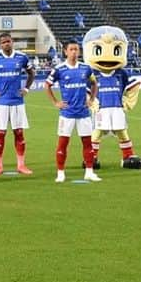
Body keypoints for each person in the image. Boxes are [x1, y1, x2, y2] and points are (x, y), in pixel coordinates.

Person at [0, 32, 35, 175]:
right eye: (3, 42)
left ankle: (21, 165)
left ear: (12, 42)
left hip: (17, 101)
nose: (6, 44)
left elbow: (31, 73)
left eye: (8, 41)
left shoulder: (21, 57)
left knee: (19, 133)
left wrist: (26, 88)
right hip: (0, 102)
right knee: (0, 133)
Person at [45, 40, 101, 182]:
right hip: (67, 113)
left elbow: (94, 83)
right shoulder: (59, 69)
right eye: (71, 49)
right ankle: (61, 173)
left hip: (83, 113)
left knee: (87, 143)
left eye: (76, 49)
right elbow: (47, 85)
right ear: (65, 51)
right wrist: (55, 102)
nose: (74, 52)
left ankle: (89, 171)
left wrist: (92, 99)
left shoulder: (86, 68)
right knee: (63, 143)